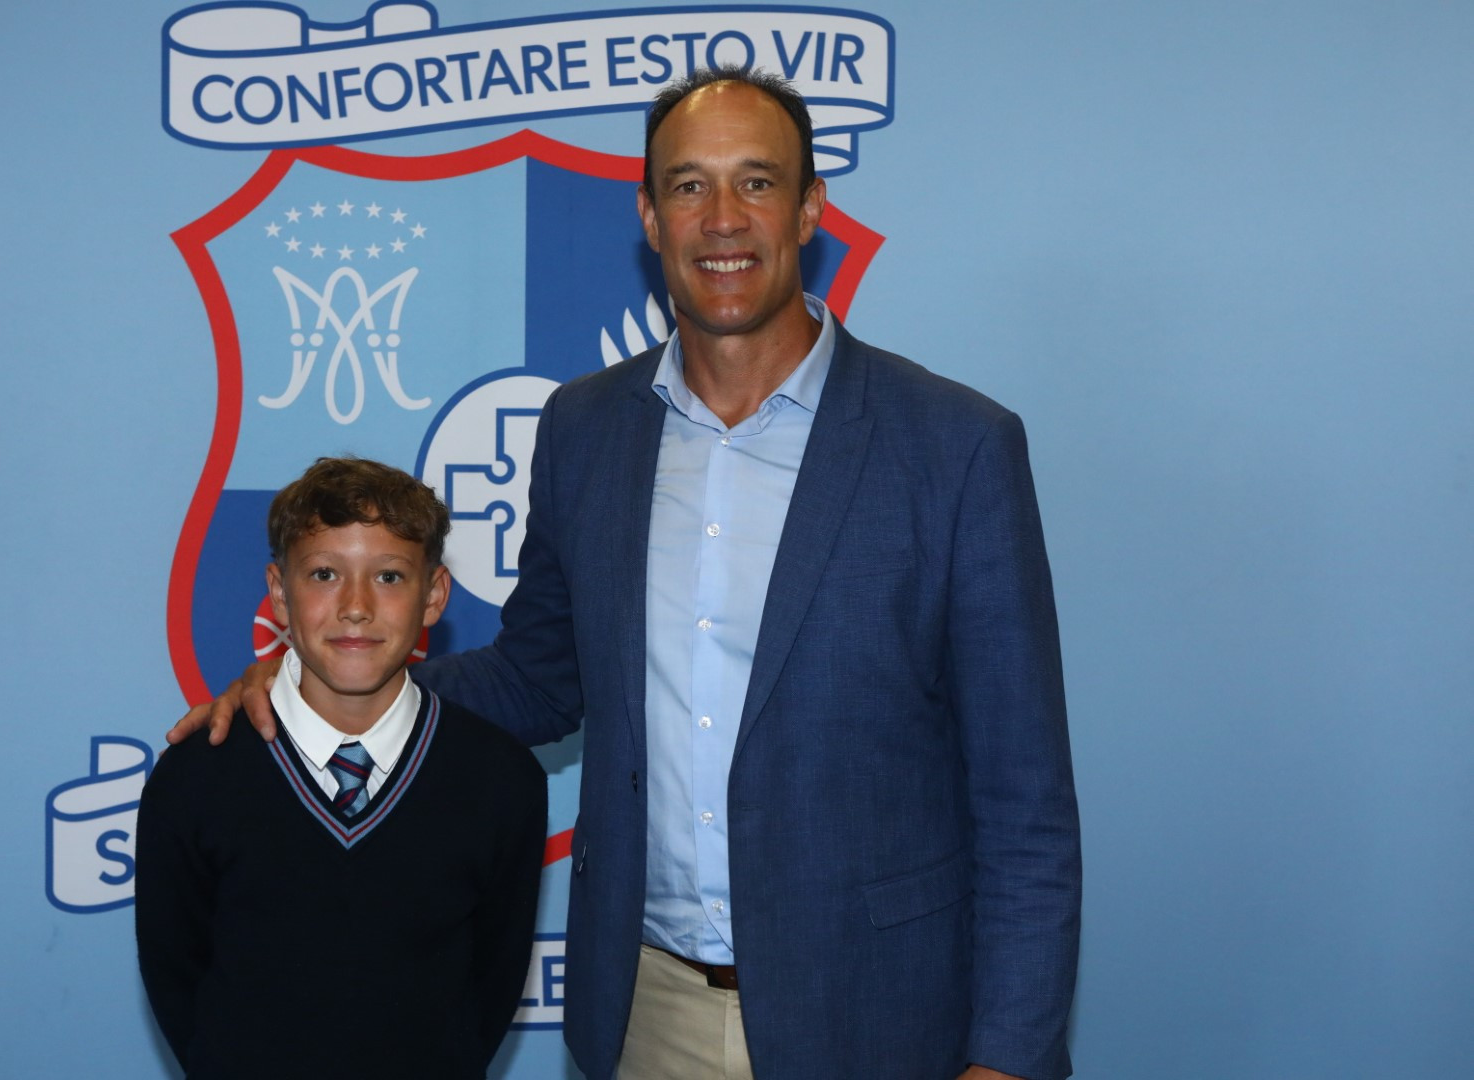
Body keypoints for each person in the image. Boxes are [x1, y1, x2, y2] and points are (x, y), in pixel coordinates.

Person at [173, 68, 1080, 1080]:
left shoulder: (956, 448)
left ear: (810, 208)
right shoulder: (585, 429)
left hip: (879, 1019)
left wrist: (1007, 1061)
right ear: (650, 218)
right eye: (689, 186)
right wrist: (325, 690)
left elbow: (1024, 805)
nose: (723, 218)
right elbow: (538, 676)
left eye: (757, 181)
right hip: (647, 1013)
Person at [139, 457, 547, 1078]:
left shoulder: (501, 780)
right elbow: (177, 978)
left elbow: (491, 982)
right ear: (280, 594)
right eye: (325, 574)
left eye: (389, 576)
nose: (356, 606)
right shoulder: (196, 777)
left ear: (434, 595)